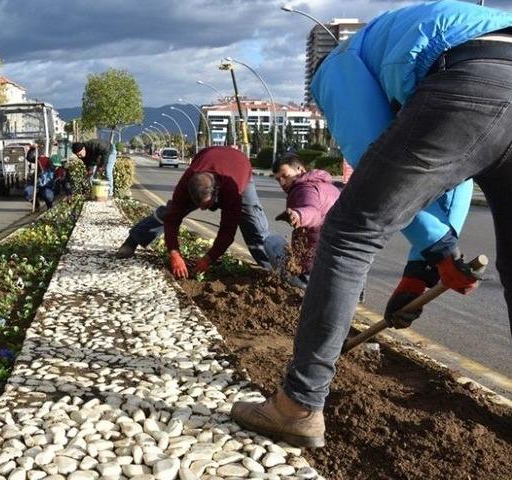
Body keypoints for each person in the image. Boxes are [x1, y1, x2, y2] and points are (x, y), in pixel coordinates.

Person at [231, 0, 512, 448]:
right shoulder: (399, 38)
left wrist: (438, 248)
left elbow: (367, 150)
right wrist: (421, 269)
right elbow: (453, 173)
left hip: (468, 74)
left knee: (347, 233)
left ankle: (297, 405)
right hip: (491, 65)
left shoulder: (335, 68)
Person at [116, 146, 271, 274]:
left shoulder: (233, 191)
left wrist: (209, 258)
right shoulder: (185, 184)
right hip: (207, 159)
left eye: (206, 205)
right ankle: (132, 241)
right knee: (168, 212)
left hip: (239, 167)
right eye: (199, 205)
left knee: (252, 220)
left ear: (216, 191)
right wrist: (174, 253)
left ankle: (270, 266)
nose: (203, 210)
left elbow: (228, 231)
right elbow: (172, 219)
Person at [264, 153, 341, 289]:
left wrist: (298, 215)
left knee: (271, 241)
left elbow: (313, 211)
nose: (282, 183)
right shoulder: (329, 187)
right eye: (278, 179)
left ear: (300, 169)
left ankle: (300, 285)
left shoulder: (304, 189)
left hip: (313, 269)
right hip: (340, 265)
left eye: (285, 176)